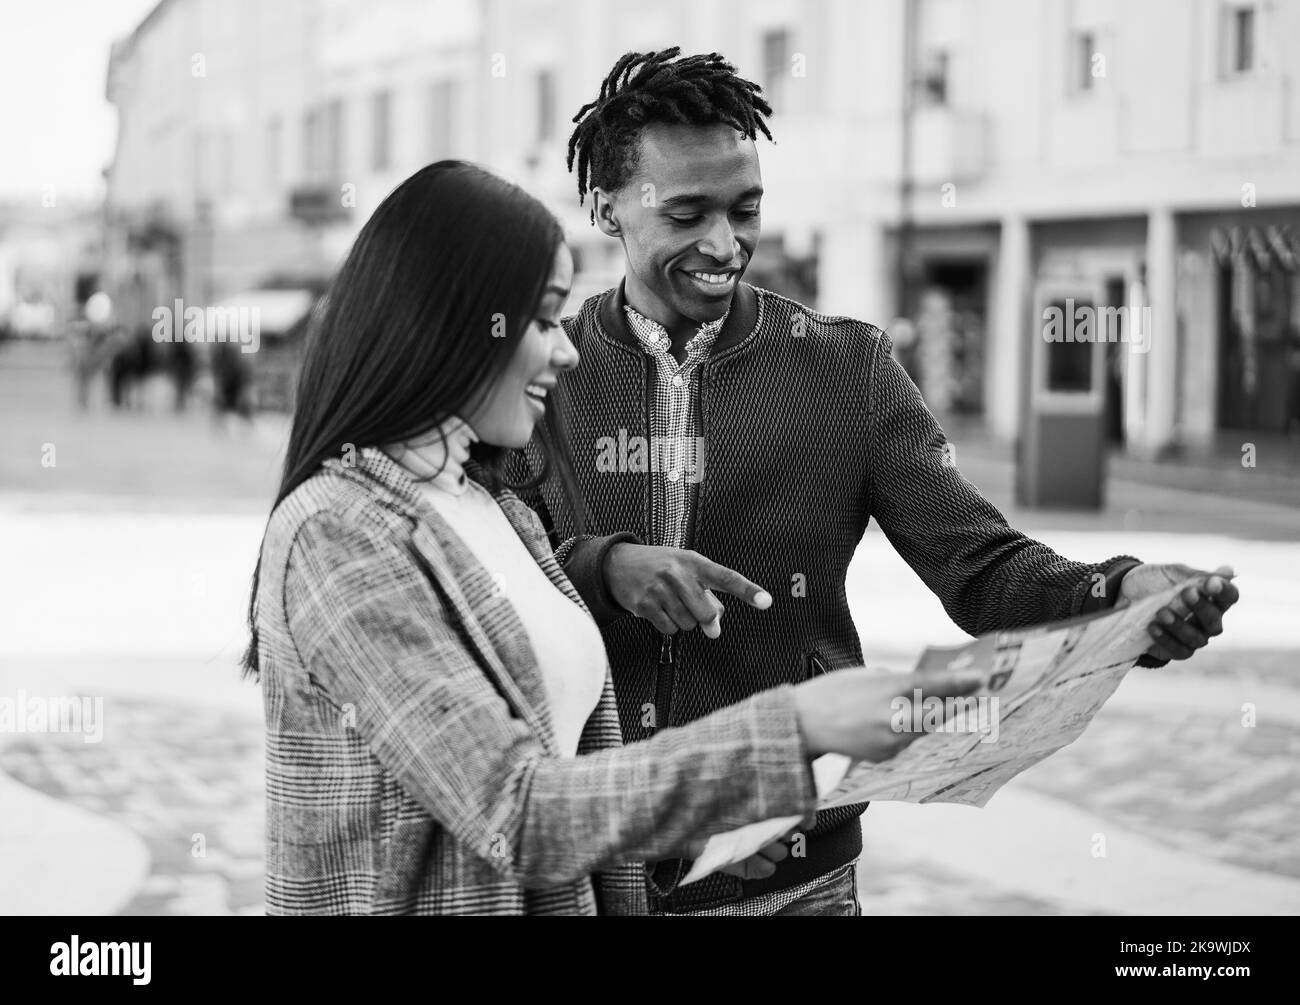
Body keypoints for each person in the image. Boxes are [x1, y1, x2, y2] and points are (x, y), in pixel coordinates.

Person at [505, 48, 1240, 916]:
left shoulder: (846, 367)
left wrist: (1119, 594)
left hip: (797, 876)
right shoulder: (546, 365)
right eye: (687, 213)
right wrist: (604, 565)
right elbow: (491, 578)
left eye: (745, 210)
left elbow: (979, 564)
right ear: (605, 208)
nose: (724, 244)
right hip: (601, 872)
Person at [242, 160, 982, 916]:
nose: (562, 350)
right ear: (444, 325)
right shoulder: (341, 531)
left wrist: (682, 836)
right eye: (538, 321)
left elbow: (562, 770)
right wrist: (796, 726)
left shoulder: (490, 507)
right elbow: (514, 807)